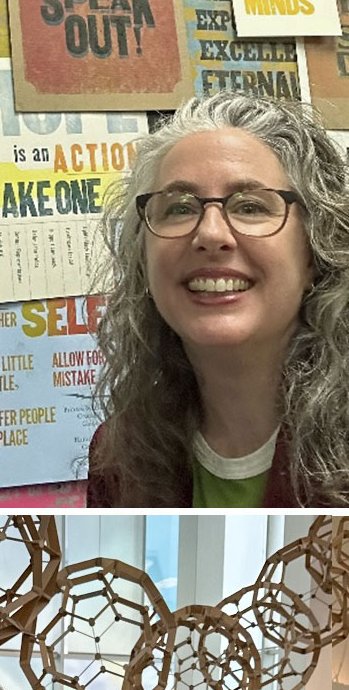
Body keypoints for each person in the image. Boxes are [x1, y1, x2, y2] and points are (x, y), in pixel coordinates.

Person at [86, 93, 349, 508]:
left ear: (316, 251)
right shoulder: (118, 458)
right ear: (144, 262)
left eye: (250, 206)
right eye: (178, 209)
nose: (210, 234)